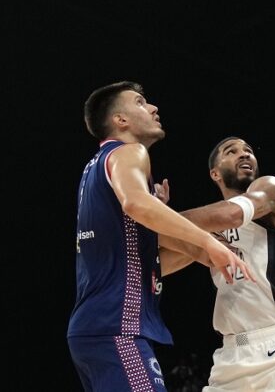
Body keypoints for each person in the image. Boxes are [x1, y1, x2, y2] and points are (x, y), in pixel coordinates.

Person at [68, 81, 251, 392]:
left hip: (91, 330)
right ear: (120, 120)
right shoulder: (129, 151)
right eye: (140, 102)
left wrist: (195, 249)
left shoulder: (96, 167)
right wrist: (205, 241)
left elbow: (141, 263)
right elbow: (137, 203)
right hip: (117, 328)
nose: (153, 108)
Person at [175, 137, 275, 391]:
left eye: (248, 151)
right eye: (231, 151)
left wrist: (157, 217)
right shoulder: (205, 231)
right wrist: (152, 221)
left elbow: (231, 214)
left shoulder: (272, 190)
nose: (244, 155)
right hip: (228, 355)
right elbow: (160, 260)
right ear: (215, 173)